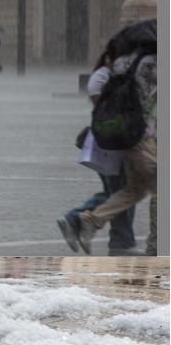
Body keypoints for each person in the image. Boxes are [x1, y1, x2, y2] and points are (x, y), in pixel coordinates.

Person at [76, 46, 158, 255]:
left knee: (134, 191)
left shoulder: (126, 65)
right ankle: (157, 245)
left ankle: (91, 221)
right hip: (140, 139)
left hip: (131, 139)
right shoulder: (149, 67)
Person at [57, 44, 137, 255]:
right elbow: (106, 109)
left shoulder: (121, 78)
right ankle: (119, 241)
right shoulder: (101, 78)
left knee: (119, 191)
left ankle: (81, 221)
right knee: (121, 192)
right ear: (110, 59)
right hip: (109, 142)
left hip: (121, 140)